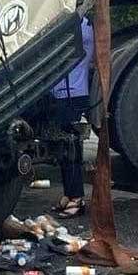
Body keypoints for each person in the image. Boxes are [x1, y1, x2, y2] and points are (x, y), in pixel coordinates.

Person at [50, 16, 94, 218]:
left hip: (71, 94)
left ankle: (76, 197)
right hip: (64, 94)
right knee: (64, 148)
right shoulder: (78, 23)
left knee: (70, 147)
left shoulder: (80, 24)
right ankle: (70, 195)